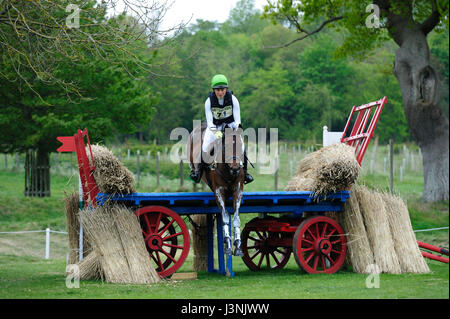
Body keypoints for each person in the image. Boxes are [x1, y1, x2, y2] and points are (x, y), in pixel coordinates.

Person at [190, 74, 253, 184]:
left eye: (222, 89)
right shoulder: (209, 101)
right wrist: (217, 133)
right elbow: (209, 122)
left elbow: (238, 120)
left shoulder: (233, 99)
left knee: (241, 145)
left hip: (231, 124)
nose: (220, 92)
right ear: (213, 90)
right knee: (205, 146)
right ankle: (198, 172)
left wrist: (236, 131)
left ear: (226, 89)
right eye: (217, 90)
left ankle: (246, 173)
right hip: (215, 126)